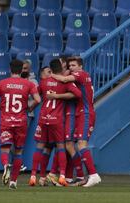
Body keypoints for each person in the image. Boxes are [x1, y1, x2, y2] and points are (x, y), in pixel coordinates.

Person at [29, 59, 82, 187]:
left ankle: (33, 176)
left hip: (43, 118)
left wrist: (30, 106)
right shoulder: (65, 82)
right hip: (56, 119)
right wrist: (61, 95)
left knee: (41, 146)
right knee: (60, 147)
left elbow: (36, 94)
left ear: (51, 70)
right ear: (61, 69)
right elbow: (78, 94)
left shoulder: (43, 82)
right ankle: (62, 176)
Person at [51, 56, 101, 187]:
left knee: (81, 144)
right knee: (76, 145)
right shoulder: (81, 76)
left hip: (85, 113)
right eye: (70, 66)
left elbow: (65, 79)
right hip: (81, 113)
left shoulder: (81, 74)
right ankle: (83, 176)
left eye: (73, 65)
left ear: (80, 66)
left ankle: (93, 175)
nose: (71, 68)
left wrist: (52, 75)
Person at [0, 59, 41, 189]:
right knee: (19, 152)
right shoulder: (28, 84)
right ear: (21, 70)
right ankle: (13, 181)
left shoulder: (2, 83)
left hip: (6, 121)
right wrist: (30, 107)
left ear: (10, 69)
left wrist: (1, 108)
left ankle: (6, 164)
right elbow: (38, 99)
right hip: (21, 122)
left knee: (5, 149)